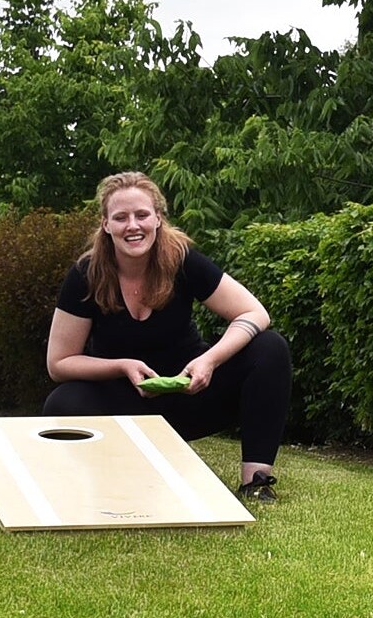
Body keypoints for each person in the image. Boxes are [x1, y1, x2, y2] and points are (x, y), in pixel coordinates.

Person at [44, 172, 292, 503]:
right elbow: (59, 363)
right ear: (105, 225)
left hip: (190, 395)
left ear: (158, 218)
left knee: (270, 347)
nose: (133, 225)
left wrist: (208, 361)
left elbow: (254, 314)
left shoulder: (182, 260)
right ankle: (126, 466)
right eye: (121, 217)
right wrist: (122, 366)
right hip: (125, 404)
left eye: (142, 215)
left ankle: (256, 482)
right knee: (62, 402)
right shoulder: (85, 275)